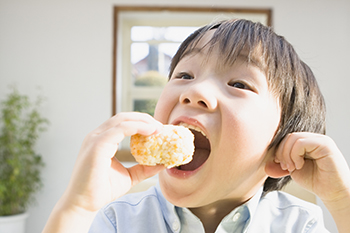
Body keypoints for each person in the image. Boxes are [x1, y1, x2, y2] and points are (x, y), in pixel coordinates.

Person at [42, 19, 350, 233]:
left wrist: (342, 200)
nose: (194, 92)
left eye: (239, 83)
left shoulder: (299, 224)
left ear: (280, 148)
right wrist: (78, 207)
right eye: (185, 75)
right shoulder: (118, 221)